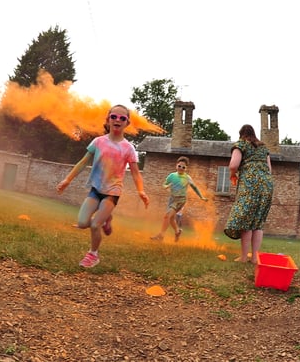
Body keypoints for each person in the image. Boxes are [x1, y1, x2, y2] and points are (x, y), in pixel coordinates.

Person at [56, 104, 149, 268]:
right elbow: (83, 162)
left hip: (113, 192)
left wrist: (141, 191)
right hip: (95, 190)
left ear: (127, 123)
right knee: (83, 222)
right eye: (114, 116)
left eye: (122, 118)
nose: (117, 120)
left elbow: (135, 172)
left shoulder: (128, 148)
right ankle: (107, 217)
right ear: (108, 119)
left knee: (94, 225)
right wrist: (67, 180)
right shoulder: (98, 142)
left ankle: (93, 255)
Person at [224, 124, 274, 264]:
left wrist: (233, 175)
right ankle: (255, 258)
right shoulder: (263, 147)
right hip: (267, 185)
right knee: (258, 222)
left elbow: (233, 165)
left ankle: (245, 257)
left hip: (251, 184)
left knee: (246, 221)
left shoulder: (241, 144)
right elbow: (269, 169)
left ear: (241, 134)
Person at [151, 156, 207, 242]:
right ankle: (177, 231)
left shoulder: (187, 178)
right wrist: (167, 186)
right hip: (172, 199)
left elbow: (195, 188)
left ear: (186, 168)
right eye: (179, 166)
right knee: (171, 218)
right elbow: (164, 185)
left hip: (180, 200)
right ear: (176, 165)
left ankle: (161, 236)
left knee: (167, 216)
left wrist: (201, 197)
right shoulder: (172, 175)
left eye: (183, 167)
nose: (181, 168)